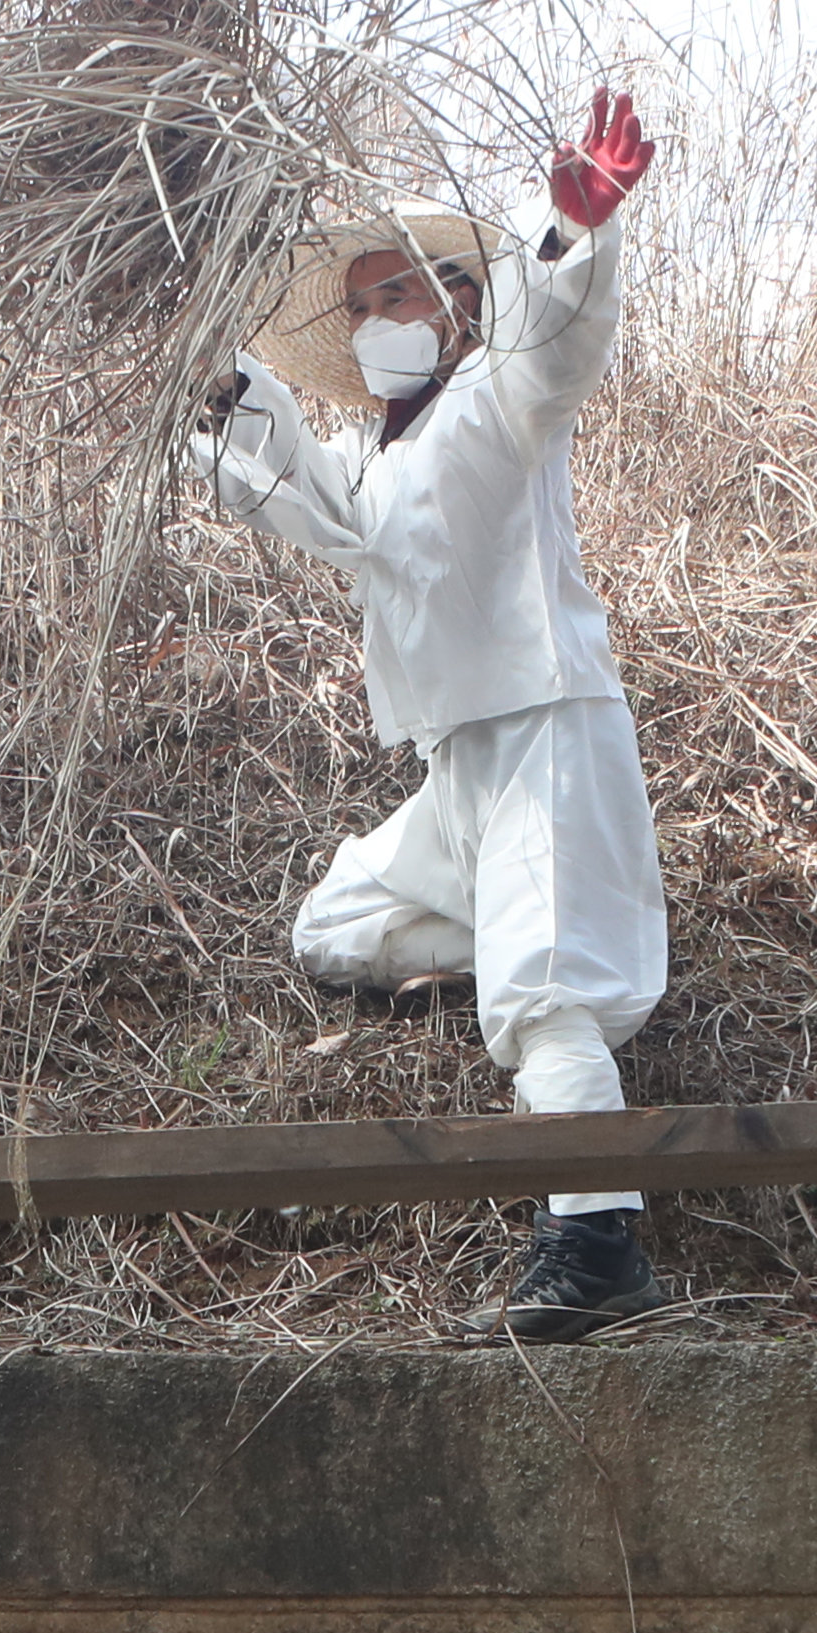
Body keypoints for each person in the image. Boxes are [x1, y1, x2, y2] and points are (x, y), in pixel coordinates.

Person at [193, 89, 670, 1341]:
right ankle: (519, 935)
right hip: (459, 766)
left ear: (460, 302)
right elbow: (307, 498)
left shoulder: (497, 394)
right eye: (358, 305)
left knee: (546, 1000)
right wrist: (220, 383)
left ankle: (596, 1245)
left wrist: (572, 231)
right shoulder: (381, 457)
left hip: (545, 734)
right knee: (335, 925)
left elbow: (556, 336)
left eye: (396, 294)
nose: (374, 322)